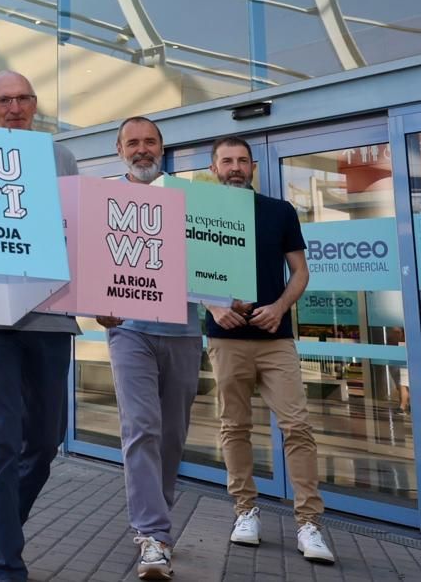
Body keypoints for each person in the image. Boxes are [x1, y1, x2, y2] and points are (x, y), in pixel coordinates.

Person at [202, 136, 334, 564]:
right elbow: (184, 269)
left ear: (253, 167)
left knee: (297, 426)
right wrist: (213, 305)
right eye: (227, 161)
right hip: (226, 339)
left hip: (275, 338)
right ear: (214, 168)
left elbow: (300, 271)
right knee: (234, 427)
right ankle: (245, 512)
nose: (235, 167)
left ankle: (309, 523)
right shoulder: (199, 210)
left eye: (242, 161)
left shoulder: (279, 211)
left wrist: (279, 307)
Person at [0, 70, 79, 582]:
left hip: (51, 315)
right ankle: (5, 562)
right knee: (2, 435)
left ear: (35, 104)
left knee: (44, 439)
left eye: (23, 99)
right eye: (4, 100)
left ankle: (4, 528)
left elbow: (74, 230)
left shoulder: (60, 157)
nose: (14, 107)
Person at [95, 116, 201, 581]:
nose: (142, 149)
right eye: (133, 142)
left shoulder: (191, 199)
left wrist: (230, 291)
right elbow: (90, 261)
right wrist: (96, 304)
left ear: (162, 148)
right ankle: (152, 535)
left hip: (183, 329)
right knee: (141, 428)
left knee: (172, 436)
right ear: (120, 150)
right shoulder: (103, 199)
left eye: (150, 142)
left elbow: (213, 259)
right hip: (129, 331)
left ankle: (157, 521)